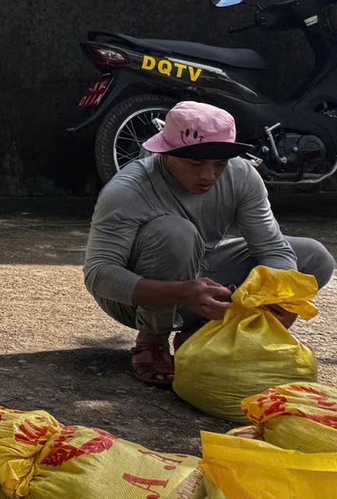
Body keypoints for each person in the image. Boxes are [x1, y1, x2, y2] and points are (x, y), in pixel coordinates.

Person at [83, 100, 334, 386]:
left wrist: (280, 298)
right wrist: (179, 293)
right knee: (175, 233)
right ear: (166, 154)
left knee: (313, 258)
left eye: (219, 164)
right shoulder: (128, 190)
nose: (208, 176)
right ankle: (151, 342)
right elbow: (99, 274)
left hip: (200, 275)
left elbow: (272, 248)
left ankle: (210, 333)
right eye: (195, 163)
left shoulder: (242, 175)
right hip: (136, 297)